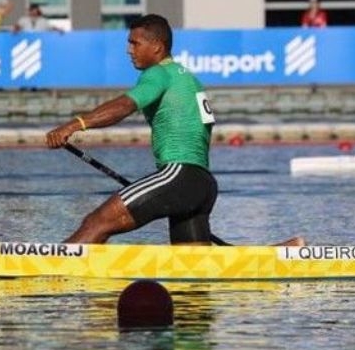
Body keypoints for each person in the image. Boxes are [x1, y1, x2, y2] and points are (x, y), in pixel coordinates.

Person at [44, 14, 304, 247]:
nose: (129, 50)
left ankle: (49, 271)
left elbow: (125, 105)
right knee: (195, 268)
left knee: (97, 222)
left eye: (135, 43)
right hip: (201, 183)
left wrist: (74, 125)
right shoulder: (189, 78)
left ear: (156, 46)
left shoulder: (158, 74)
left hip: (178, 175)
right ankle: (281, 253)